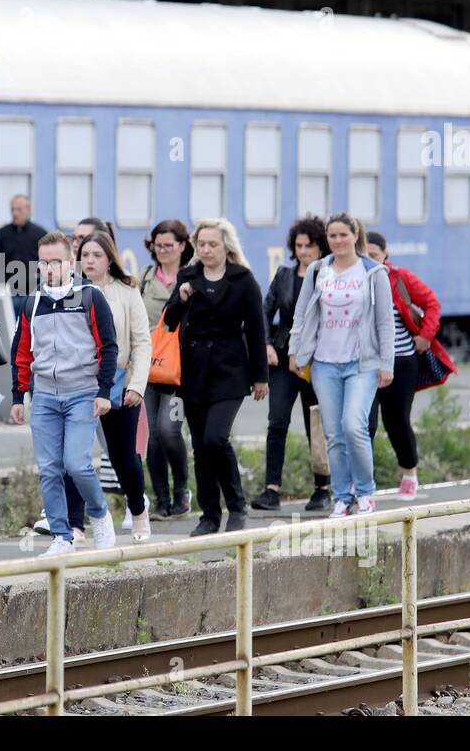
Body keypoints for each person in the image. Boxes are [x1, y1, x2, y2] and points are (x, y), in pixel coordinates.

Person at [9, 231, 119, 556]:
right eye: (44, 263)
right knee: (49, 467)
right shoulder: (33, 302)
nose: (50, 268)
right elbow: (22, 353)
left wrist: (104, 391)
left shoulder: (89, 296)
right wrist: (19, 397)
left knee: (77, 463)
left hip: (82, 393)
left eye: (57, 262)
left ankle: (99, 514)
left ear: (71, 262)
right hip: (44, 396)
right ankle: (61, 535)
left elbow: (108, 346)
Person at [162, 218, 268, 536]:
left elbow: (256, 328)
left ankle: (236, 505)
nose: (206, 250)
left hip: (230, 370)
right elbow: (168, 321)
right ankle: (209, 514)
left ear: (226, 247)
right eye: (202, 244)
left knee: (215, 438)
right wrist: (180, 298)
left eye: (213, 244)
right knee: (200, 446)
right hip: (193, 371)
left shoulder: (243, 279)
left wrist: (260, 377)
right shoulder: (188, 276)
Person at [288, 213, 394, 518]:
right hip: (324, 363)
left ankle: (365, 493)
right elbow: (302, 314)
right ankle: (343, 495)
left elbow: (384, 322)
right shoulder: (318, 271)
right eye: (332, 236)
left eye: (343, 235)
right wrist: (296, 351)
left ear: (355, 235)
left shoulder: (373, 272)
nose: (337, 241)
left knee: (354, 427)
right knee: (333, 433)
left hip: (362, 363)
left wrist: (386, 364)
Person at [63, 231, 153, 540]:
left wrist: (137, 385)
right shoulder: (69, 290)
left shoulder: (127, 291)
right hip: (77, 382)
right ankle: (75, 524)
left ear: (109, 258)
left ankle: (138, 510)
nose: (89, 260)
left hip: (118, 381)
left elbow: (142, 342)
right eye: (84, 255)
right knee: (74, 455)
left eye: (96, 255)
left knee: (122, 456)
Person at [364, 231, 457, 500]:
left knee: (396, 421)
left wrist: (426, 336)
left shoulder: (399, 278)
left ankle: (409, 473)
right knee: (363, 424)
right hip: (366, 363)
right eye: (366, 256)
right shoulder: (355, 279)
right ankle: (363, 484)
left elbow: (431, 303)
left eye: (375, 256)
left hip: (401, 362)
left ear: (385, 256)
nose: (371, 261)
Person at [252, 216, 333, 513]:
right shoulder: (284, 274)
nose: (303, 251)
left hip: (318, 358)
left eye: (309, 246)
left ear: (320, 247)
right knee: (277, 422)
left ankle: (322, 488)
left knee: (316, 424)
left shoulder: (329, 274)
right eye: (298, 246)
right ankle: (271, 489)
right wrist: (267, 345)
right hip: (285, 356)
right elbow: (265, 309)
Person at [139, 219, 194, 519]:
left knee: (169, 429)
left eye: (169, 245)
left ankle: (182, 490)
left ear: (183, 246)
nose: (162, 251)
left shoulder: (193, 277)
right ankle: (161, 499)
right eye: (158, 245)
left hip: (180, 370)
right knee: (151, 435)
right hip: (148, 365)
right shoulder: (145, 278)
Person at [0, 194, 47, 318]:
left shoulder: (40, 234)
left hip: (33, 293)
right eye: (13, 209)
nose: (15, 213)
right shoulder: (2, 234)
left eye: (19, 209)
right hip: (9, 294)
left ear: (28, 210)